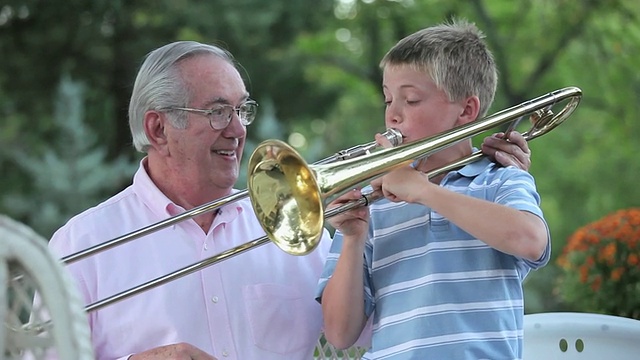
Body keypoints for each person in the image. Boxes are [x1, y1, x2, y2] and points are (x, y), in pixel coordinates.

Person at [39, 40, 531, 360]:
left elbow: (384, 328)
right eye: (217, 112)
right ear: (157, 127)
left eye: (241, 110)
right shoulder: (80, 245)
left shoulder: (294, 220)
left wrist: (460, 167)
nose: (238, 130)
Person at [316, 19, 549, 360]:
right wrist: (352, 239)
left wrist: (424, 192)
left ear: (466, 111)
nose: (393, 115)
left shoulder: (500, 179)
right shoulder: (374, 201)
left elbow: (530, 240)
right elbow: (339, 333)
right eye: (388, 99)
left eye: (410, 100)